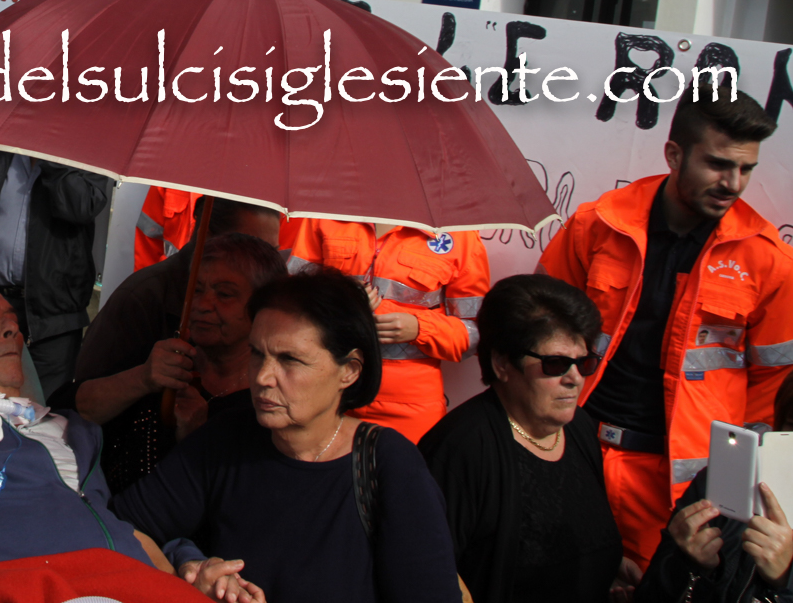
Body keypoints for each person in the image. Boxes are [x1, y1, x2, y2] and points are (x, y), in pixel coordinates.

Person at [0, 281, 263, 603]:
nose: (11, 329)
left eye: (12, 320)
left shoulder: (73, 432)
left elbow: (111, 522)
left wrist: (188, 563)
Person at [543, 76, 793, 568]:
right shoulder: (598, 224)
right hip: (574, 448)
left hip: (678, 483)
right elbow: (540, 327)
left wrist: (740, 485)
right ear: (675, 155)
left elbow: (775, 386)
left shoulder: (769, 260)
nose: (733, 183)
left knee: (652, 588)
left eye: (746, 168)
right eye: (718, 164)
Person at [111, 270, 461, 603]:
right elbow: (123, 527)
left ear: (350, 371)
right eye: (257, 354)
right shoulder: (227, 436)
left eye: (290, 360)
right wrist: (187, 573)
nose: (263, 377)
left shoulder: (390, 466)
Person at [420, 274, 628, 603]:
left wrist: (611, 568)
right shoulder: (460, 449)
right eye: (556, 364)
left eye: (584, 363)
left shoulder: (579, 427)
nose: (574, 378)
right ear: (502, 363)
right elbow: (426, 575)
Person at [63, 195, 282, 490]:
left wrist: (200, 439)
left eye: (225, 294)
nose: (203, 304)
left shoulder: (276, 393)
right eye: (199, 289)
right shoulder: (160, 346)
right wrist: (141, 379)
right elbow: (68, 412)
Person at [283, 217, 490, 444]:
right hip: (327, 389)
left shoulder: (459, 234)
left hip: (410, 404)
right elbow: (290, 302)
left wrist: (420, 328)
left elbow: (476, 334)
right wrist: (341, 299)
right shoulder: (324, 215)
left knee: (407, 466)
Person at [0, 149, 112, 399]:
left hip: (53, 320)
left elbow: (81, 207)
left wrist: (53, 160)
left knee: (42, 410)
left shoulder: (90, 154)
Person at [636, 373, 793, 603]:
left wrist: (785, 580)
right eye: (792, 426)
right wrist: (688, 565)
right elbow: (648, 596)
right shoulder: (719, 482)